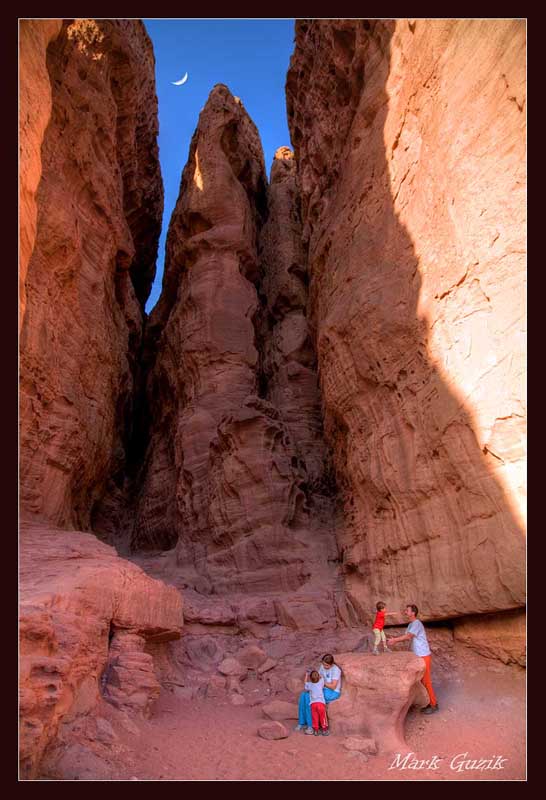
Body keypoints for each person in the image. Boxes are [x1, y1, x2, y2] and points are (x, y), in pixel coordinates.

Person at [388, 604, 439, 714]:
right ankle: (426, 702)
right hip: (418, 656)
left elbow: (408, 637)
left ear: (413, 613)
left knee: (426, 681)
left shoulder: (416, 623)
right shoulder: (411, 624)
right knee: (420, 680)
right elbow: (409, 639)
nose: (405, 612)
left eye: (407, 610)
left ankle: (434, 705)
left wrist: (394, 640)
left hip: (423, 656)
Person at [295, 654, 341, 734]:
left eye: (326, 665)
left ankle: (311, 726)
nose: (324, 666)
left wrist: (321, 683)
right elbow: (318, 678)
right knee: (303, 695)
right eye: (323, 664)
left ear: (332, 664)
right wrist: (317, 685)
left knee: (310, 698)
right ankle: (302, 722)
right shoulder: (322, 667)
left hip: (332, 692)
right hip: (322, 688)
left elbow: (333, 686)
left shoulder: (336, 670)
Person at [303, 670, 329, 736]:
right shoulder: (321, 682)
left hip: (313, 704)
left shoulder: (310, 685)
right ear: (318, 677)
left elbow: (305, 683)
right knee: (323, 717)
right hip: (320, 703)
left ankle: (316, 731)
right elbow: (322, 677)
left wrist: (306, 675)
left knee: (315, 717)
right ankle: (324, 730)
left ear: (310, 678)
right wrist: (318, 674)